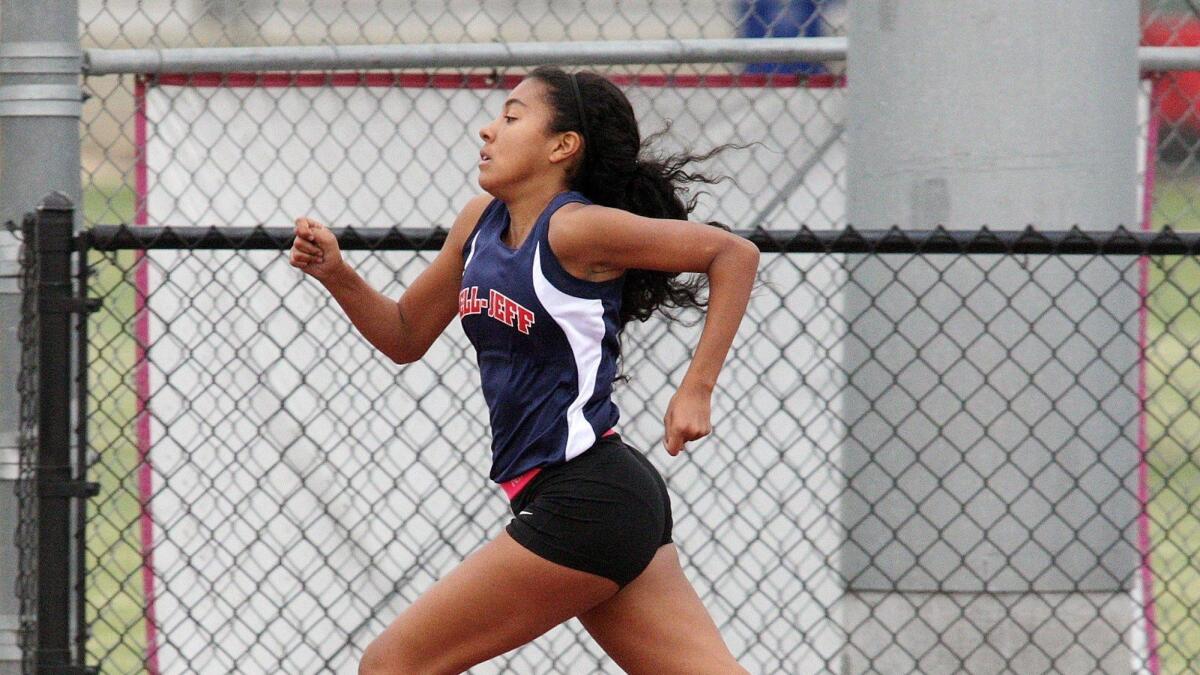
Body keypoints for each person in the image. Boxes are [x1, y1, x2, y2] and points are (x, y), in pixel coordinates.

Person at [289, 66, 759, 674]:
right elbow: (404, 335)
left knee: (392, 665)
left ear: (562, 146)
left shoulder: (576, 228)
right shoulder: (479, 223)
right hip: (596, 498)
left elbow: (733, 254)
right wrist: (338, 275)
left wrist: (696, 390)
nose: (488, 129)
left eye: (512, 117)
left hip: (586, 494)